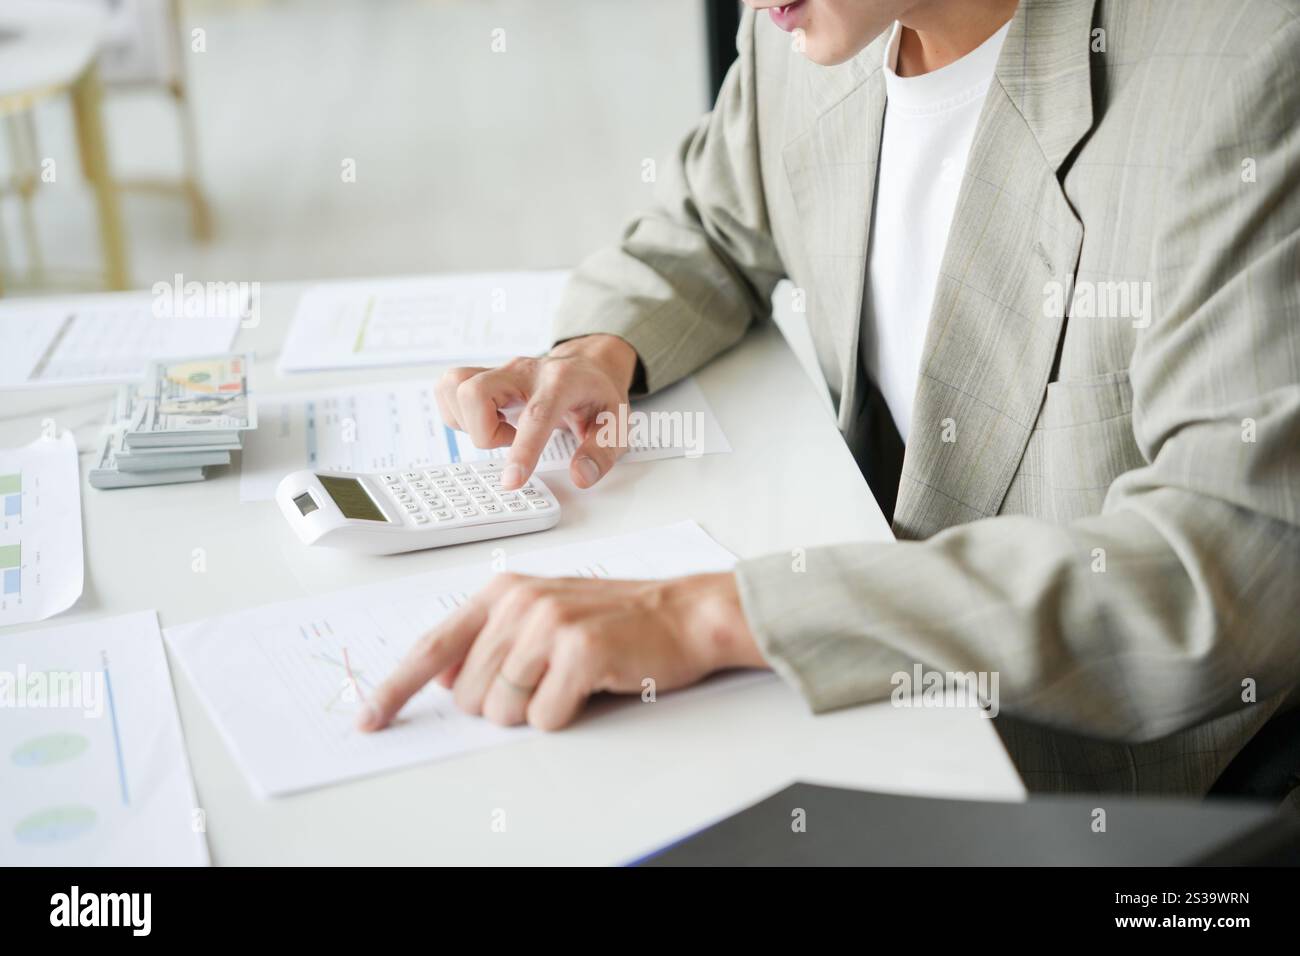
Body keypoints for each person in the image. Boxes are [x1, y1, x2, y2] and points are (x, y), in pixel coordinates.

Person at [360, 0, 1300, 803]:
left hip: (1096, 777)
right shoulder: (811, 27)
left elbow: (1221, 567)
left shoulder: (1242, 75)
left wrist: (719, 617)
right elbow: (712, 219)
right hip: (877, 698)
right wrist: (599, 351)